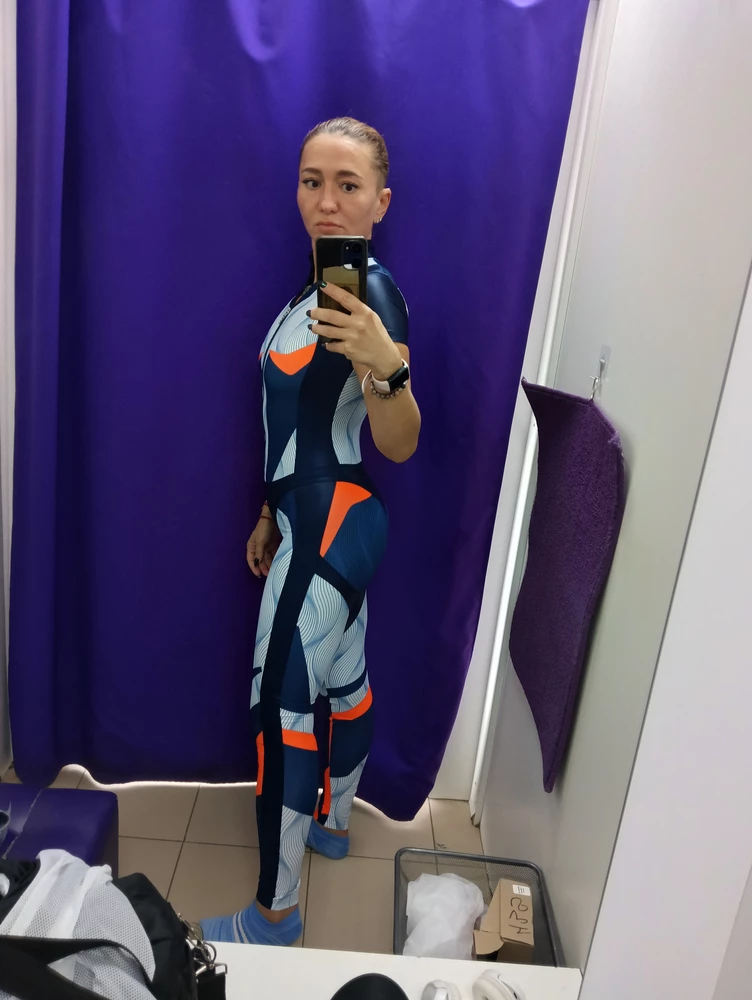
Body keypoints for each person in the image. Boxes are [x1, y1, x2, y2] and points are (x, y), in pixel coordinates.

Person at [201, 118, 420, 946]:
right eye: (311, 180)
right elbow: (289, 422)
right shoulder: (308, 295)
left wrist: (388, 366)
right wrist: (268, 511)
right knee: (346, 684)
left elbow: (401, 441)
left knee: (280, 710)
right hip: (324, 523)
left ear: (380, 202)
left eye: (348, 184)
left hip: (330, 526)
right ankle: (332, 826)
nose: (326, 200)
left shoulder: (372, 297)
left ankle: (274, 916)